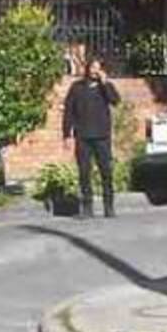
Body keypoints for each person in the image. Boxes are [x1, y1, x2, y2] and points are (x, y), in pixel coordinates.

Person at [63, 57, 121, 218]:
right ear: (87, 69)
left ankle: (108, 206)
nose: (95, 70)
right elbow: (68, 111)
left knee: (106, 172)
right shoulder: (77, 88)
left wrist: (105, 83)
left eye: (98, 68)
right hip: (83, 136)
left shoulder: (106, 87)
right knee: (84, 173)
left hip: (102, 136)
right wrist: (67, 134)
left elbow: (115, 101)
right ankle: (87, 207)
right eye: (92, 67)